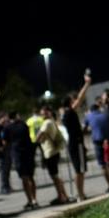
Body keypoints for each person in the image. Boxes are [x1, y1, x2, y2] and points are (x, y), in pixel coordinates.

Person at [59, 69, 93, 200]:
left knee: (79, 170)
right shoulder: (69, 112)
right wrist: (87, 84)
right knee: (80, 170)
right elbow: (80, 98)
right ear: (70, 102)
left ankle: (81, 194)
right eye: (73, 100)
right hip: (76, 143)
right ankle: (80, 195)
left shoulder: (64, 114)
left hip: (73, 143)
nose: (75, 101)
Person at [36, 107, 71, 205]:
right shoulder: (51, 122)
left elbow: (39, 135)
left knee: (55, 176)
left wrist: (36, 140)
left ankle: (62, 197)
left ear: (49, 113)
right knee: (55, 176)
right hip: (53, 151)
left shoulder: (47, 123)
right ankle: (64, 196)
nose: (43, 115)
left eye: (44, 113)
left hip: (50, 152)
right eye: (42, 114)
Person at [4, 112, 38, 208]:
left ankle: (30, 200)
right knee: (31, 177)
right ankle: (35, 199)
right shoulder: (24, 125)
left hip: (18, 154)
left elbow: (5, 142)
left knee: (24, 178)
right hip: (28, 152)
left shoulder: (8, 128)